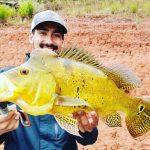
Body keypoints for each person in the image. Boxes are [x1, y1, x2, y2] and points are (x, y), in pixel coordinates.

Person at [0, 10, 99, 150]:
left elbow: (88, 138)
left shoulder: (77, 81)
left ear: (62, 42)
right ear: (31, 37)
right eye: (42, 33)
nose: (49, 41)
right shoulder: (6, 80)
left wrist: (87, 129)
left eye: (56, 35)